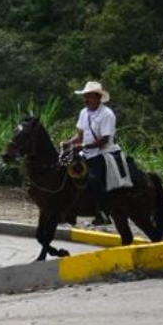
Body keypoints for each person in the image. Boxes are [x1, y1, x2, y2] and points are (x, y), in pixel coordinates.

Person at [63, 80, 120, 224]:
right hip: (86, 153)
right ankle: (70, 211)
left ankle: (104, 212)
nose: (85, 99)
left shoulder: (107, 114)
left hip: (103, 153)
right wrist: (69, 143)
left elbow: (104, 140)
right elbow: (80, 136)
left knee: (94, 179)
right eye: (85, 96)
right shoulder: (83, 113)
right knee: (64, 173)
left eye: (88, 96)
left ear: (98, 98)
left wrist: (83, 147)